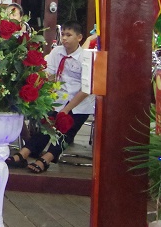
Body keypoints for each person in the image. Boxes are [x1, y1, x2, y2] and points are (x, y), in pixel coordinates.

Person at [7, 21, 95, 173]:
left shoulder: (85, 58)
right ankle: (24, 154)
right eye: (63, 34)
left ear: (79, 37)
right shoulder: (57, 52)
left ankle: (46, 159)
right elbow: (48, 74)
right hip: (59, 97)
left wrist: (66, 109)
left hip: (80, 103)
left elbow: (86, 90)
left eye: (69, 35)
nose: (64, 38)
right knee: (46, 124)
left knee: (66, 129)